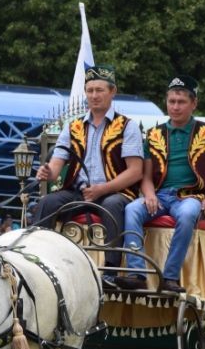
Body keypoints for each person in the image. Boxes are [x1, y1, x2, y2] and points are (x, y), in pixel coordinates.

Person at [116, 76, 205, 293]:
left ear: (194, 104)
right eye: (171, 101)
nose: (175, 107)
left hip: (191, 197)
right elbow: (145, 176)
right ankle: (137, 274)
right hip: (160, 195)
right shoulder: (154, 134)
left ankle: (170, 277)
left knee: (186, 215)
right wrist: (149, 194)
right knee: (132, 209)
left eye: (181, 102)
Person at [33, 65, 144, 288]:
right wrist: (47, 173)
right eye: (90, 90)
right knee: (47, 202)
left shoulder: (127, 126)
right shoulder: (73, 126)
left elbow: (135, 171)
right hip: (79, 191)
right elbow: (56, 166)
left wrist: (103, 189)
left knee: (113, 204)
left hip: (115, 191)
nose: (94, 95)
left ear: (112, 92)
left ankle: (111, 271)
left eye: (99, 90)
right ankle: (36, 257)